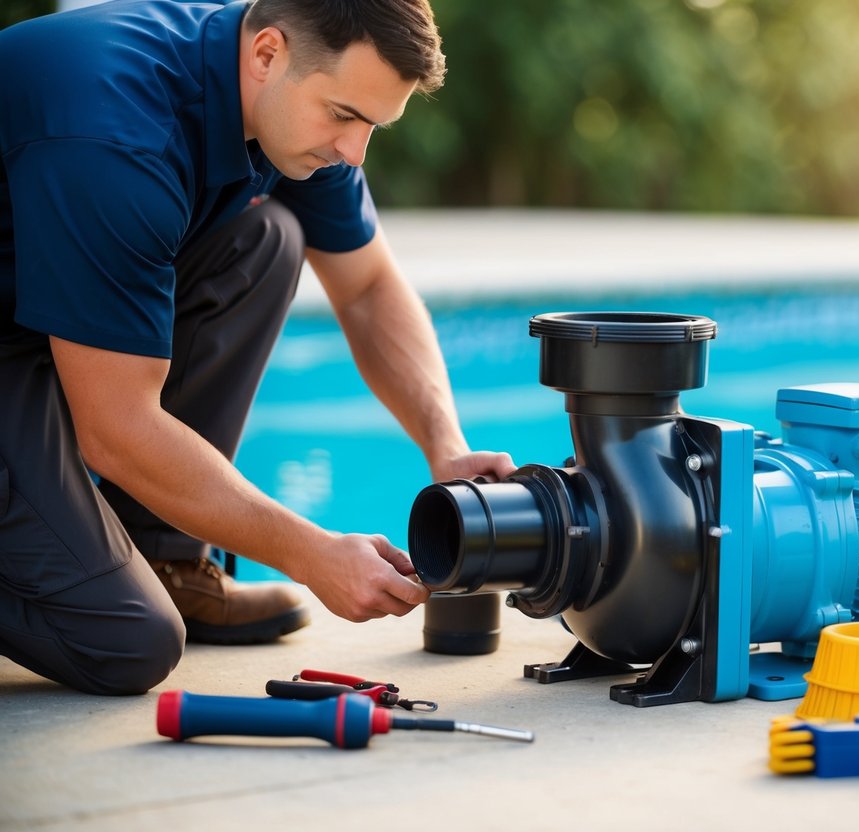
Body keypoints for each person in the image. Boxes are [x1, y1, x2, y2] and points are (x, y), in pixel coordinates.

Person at [0, 0, 514, 695]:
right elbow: (116, 431)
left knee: (266, 238)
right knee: (123, 642)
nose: (354, 153)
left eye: (372, 125)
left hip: (39, 296)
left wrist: (444, 444)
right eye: (343, 116)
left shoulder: (280, 87)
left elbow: (367, 290)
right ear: (267, 55)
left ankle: (168, 560)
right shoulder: (118, 134)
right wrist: (311, 553)